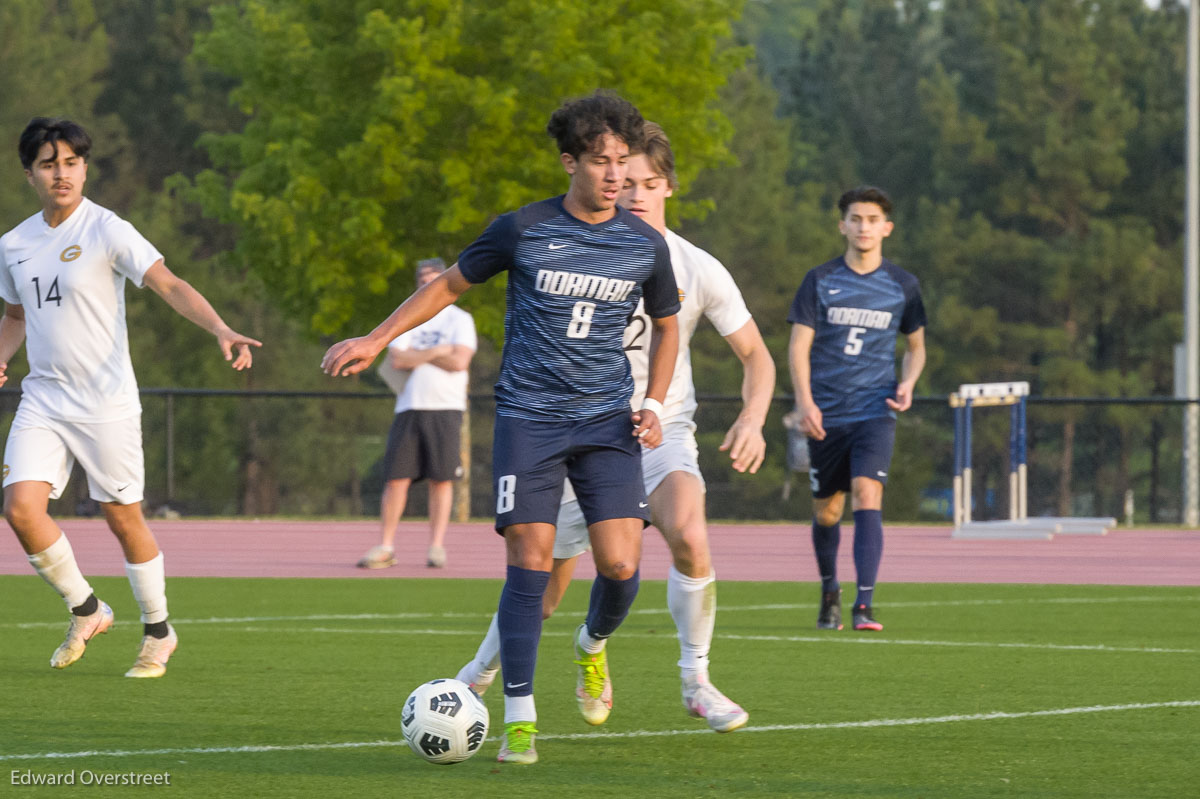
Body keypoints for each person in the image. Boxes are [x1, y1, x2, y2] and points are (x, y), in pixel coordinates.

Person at [321, 91, 680, 764]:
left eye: (622, 163)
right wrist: (377, 336)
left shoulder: (644, 244)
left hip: (608, 420)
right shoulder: (522, 228)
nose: (614, 176)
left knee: (623, 566)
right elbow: (449, 286)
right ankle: (520, 718)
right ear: (569, 161)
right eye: (600, 161)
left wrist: (655, 402)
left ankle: (591, 646)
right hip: (529, 418)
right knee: (531, 563)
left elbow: (667, 326)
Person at [456, 122, 775, 734]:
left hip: (658, 433)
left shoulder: (695, 266)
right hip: (571, 424)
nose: (633, 193)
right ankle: (481, 672)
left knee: (686, 529)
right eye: (624, 180)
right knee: (543, 582)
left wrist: (753, 418)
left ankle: (696, 680)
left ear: (668, 188)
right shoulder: (570, 239)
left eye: (648, 183)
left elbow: (757, 355)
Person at [0, 117, 261, 677]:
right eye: (49, 164)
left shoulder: (107, 229)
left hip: (106, 402)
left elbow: (168, 283)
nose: (61, 173)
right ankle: (88, 608)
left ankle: (159, 630)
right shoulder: (14, 244)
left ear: (85, 167)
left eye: (71, 162)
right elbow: (15, 317)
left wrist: (220, 328)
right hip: (44, 398)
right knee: (20, 509)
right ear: (30, 174)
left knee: (123, 519)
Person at [786, 185, 926, 633]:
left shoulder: (903, 285)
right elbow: (798, 348)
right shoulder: (819, 280)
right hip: (826, 414)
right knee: (827, 511)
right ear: (842, 225)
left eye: (872, 220)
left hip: (875, 411)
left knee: (869, 492)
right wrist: (805, 403)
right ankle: (830, 588)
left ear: (887, 227)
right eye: (855, 219)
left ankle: (864, 605)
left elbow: (916, 347)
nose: (864, 227)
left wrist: (908, 382)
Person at [357, 257, 476, 570]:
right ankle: (386, 545)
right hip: (410, 406)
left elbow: (460, 362)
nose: (427, 285)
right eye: (422, 280)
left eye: (433, 280)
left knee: (442, 480)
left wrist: (422, 356)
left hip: (446, 408)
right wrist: (439, 351)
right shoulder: (408, 317)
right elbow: (398, 359)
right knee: (396, 479)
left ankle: (436, 547)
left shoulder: (460, 320)